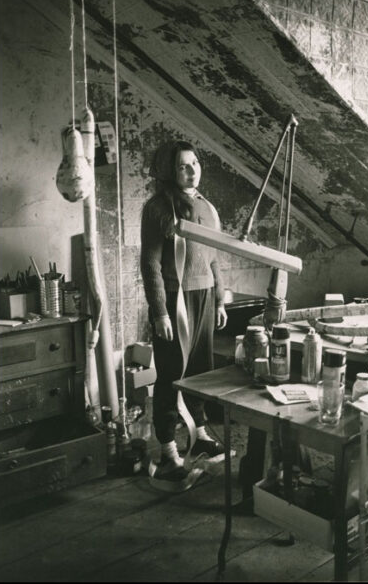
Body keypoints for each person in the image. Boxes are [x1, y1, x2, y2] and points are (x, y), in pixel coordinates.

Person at [140, 140, 228, 483]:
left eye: (195, 163)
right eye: (182, 166)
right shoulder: (158, 208)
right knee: (171, 372)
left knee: (201, 371)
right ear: (168, 171)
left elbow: (214, 257)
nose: (192, 171)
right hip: (174, 301)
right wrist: (159, 310)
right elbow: (150, 262)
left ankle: (201, 435)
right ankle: (168, 451)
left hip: (204, 296)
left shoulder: (207, 207)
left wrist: (219, 299)